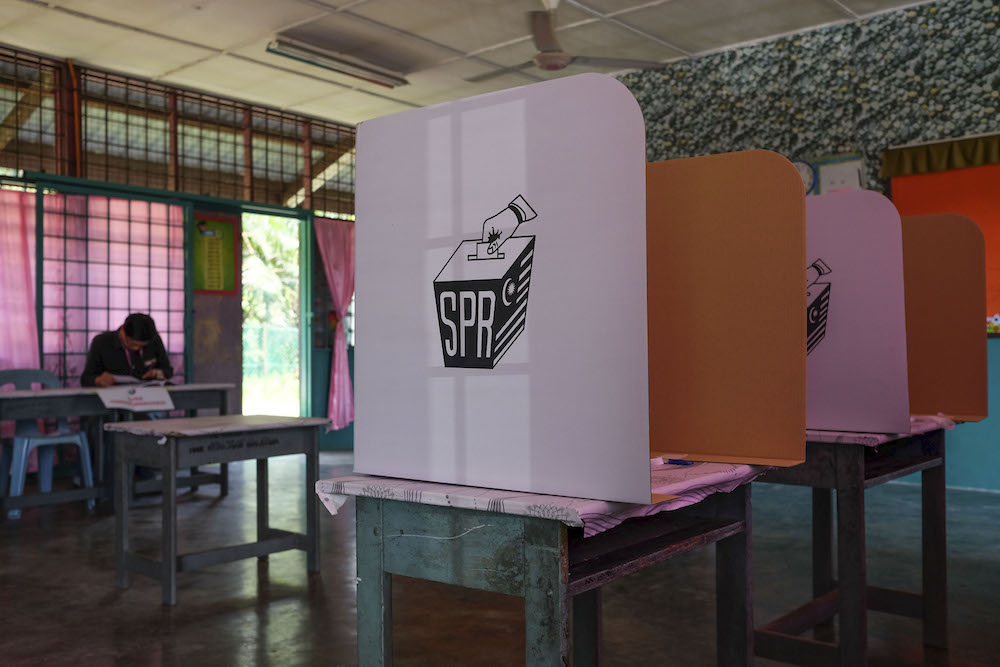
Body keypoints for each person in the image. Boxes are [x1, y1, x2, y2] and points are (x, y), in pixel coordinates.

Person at [80, 313, 173, 387]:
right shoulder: (102, 342)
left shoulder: (154, 341)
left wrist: (158, 373)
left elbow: (168, 371)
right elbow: (85, 379)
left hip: (146, 398)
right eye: (133, 344)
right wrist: (99, 380)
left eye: (142, 346)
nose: (136, 348)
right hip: (111, 399)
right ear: (123, 332)